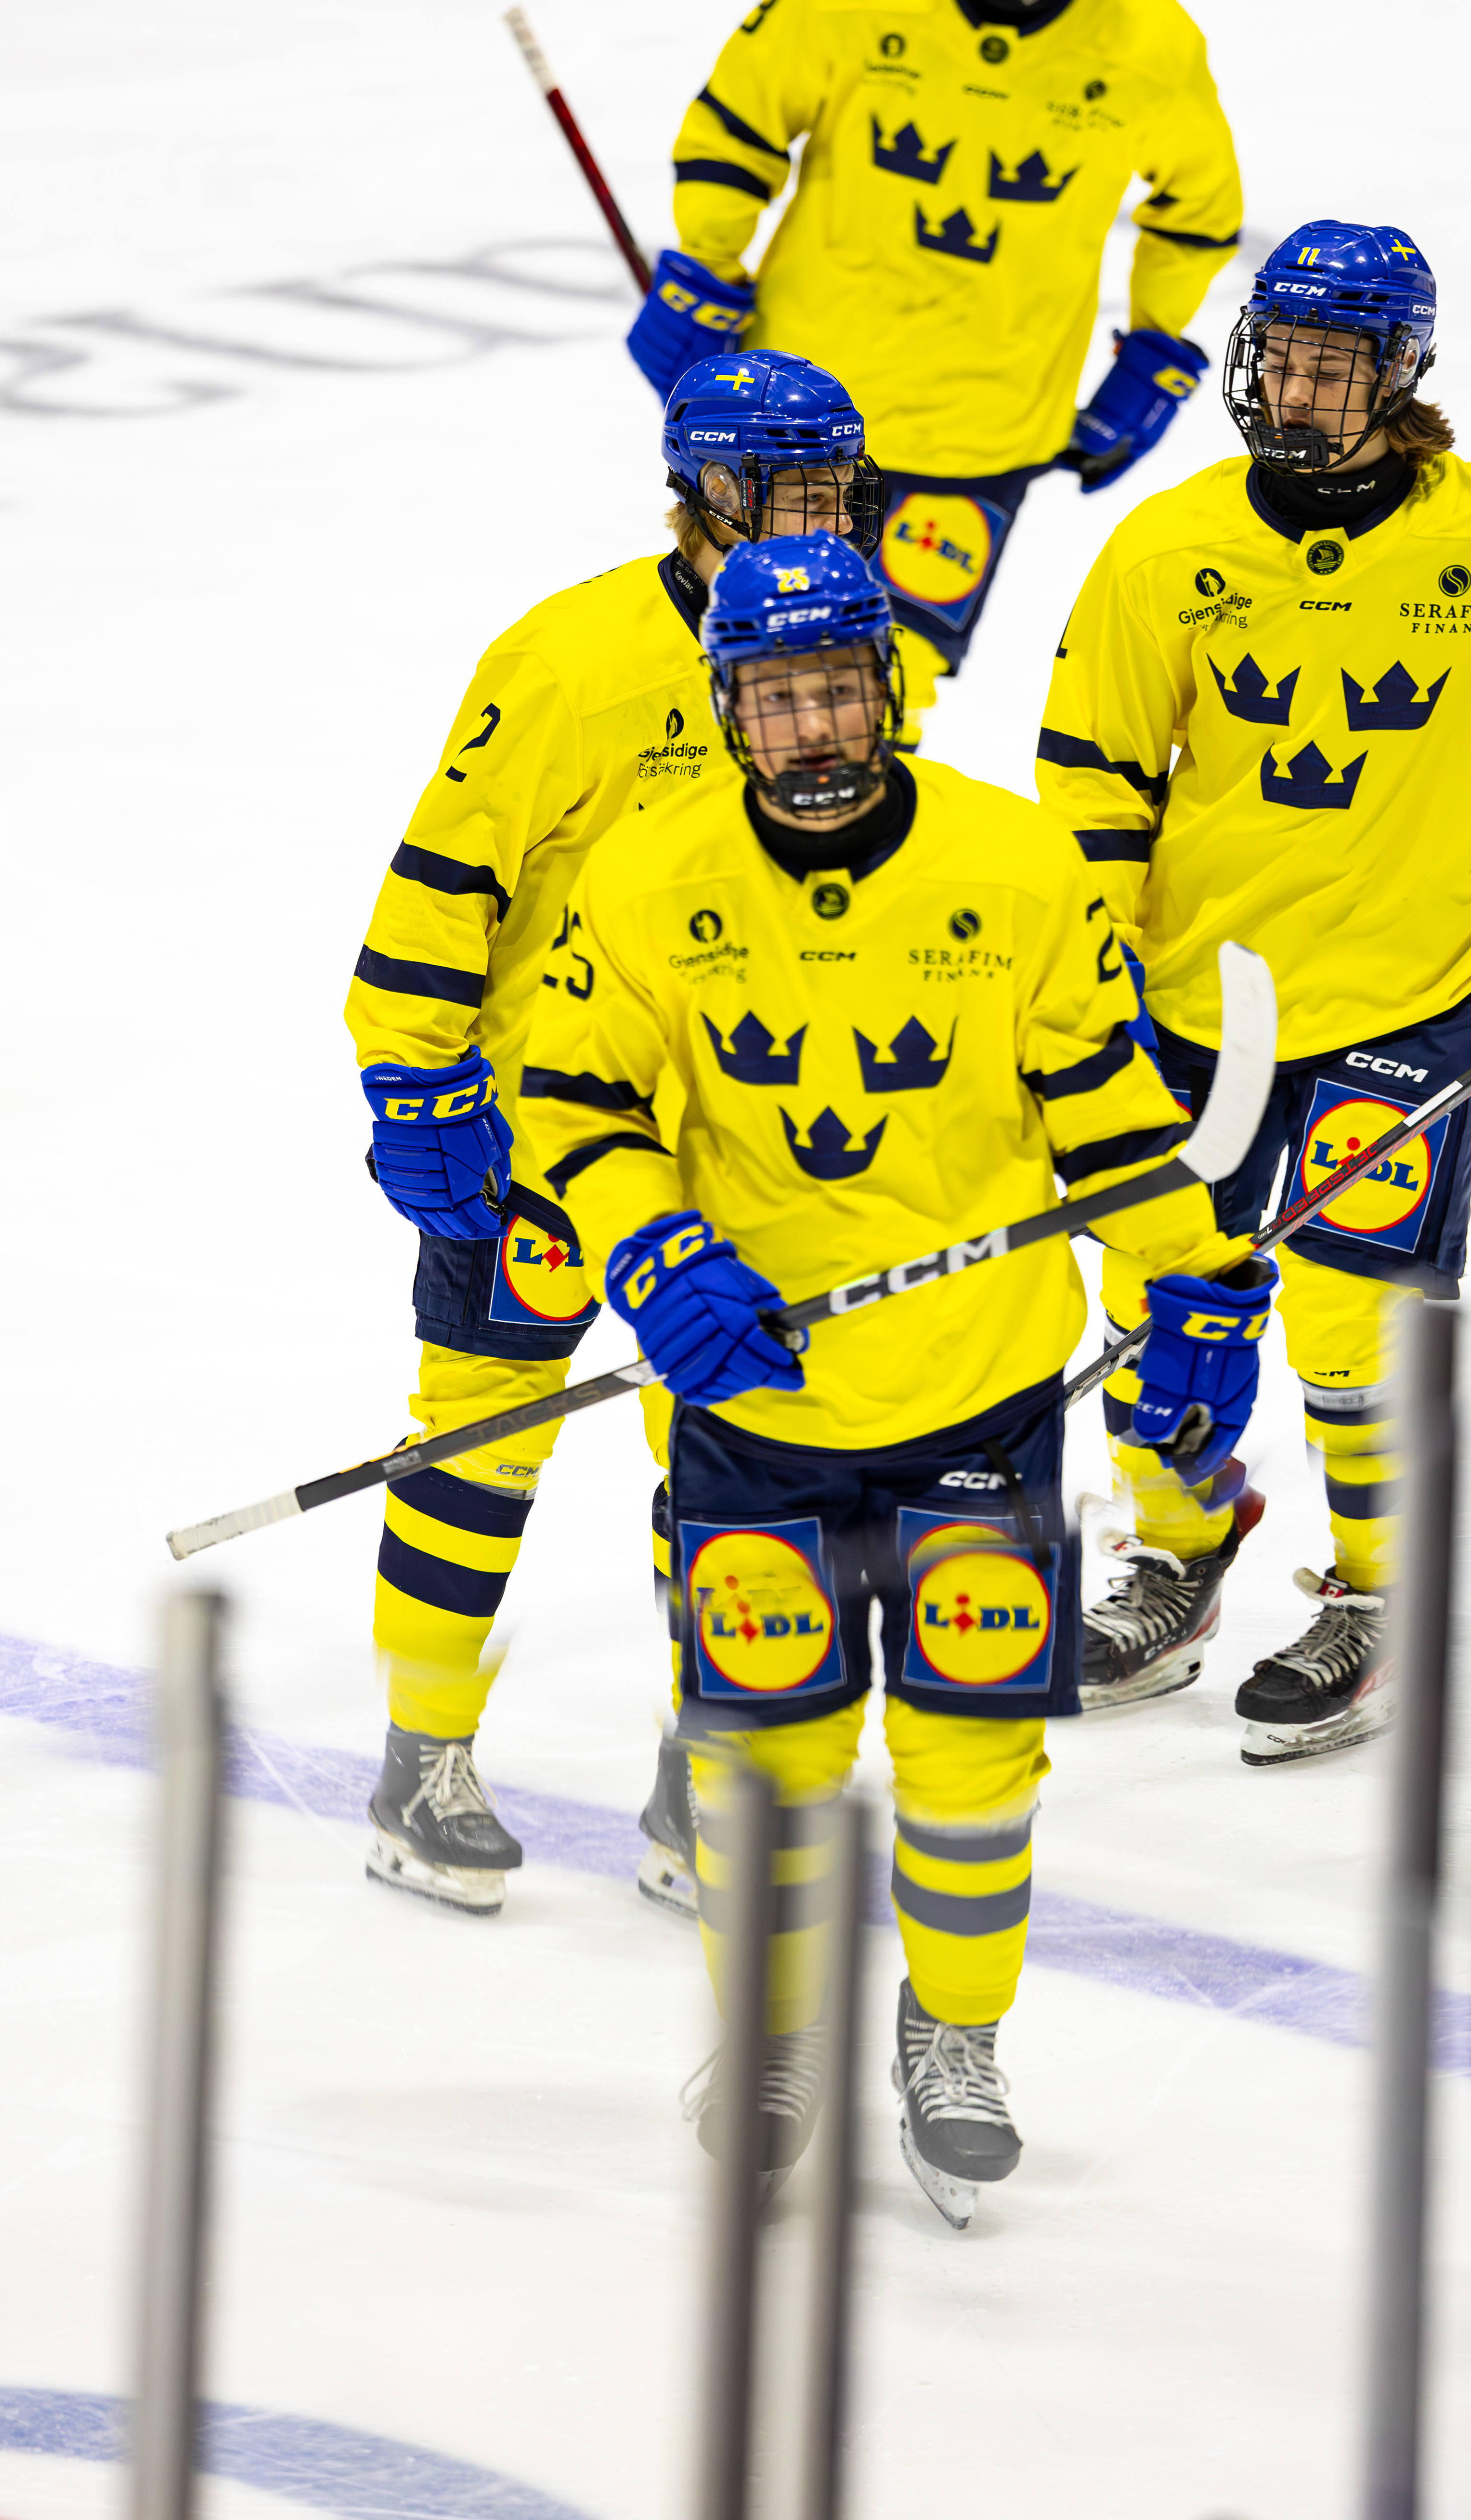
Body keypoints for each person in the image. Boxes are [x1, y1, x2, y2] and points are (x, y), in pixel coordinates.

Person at [517, 530, 1266, 2221]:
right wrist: (656, 1256)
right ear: (730, 708)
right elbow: (573, 1101)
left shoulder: (1017, 867)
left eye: (839, 689)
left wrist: (1198, 1275)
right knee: (757, 1756)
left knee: (973, 1765)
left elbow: (1108, 1114)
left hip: (983, 1404)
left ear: (891, 686)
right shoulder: (647, 877)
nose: (814, 728)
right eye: (778, 697)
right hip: (754, 1416)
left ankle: (957, 2031)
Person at [1036, 218, 1471, 1764]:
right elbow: (1093, 776)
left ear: (1401, 374)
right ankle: (1178, 1559)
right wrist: (1080, 976)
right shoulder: (1168, 549)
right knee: (1159, 1293)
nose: (1302, 389)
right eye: (1283, 356)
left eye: (1337, 366)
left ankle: (1377, 1596)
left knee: (1354, 1316)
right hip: (1199, 1000)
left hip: (1407, 997)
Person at [345, 351, 882, 1914]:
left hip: (739, 1136)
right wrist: (415, 1080)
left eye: (837, 490)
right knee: (479, 1437)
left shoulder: (844, 650)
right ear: (709, 493)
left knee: (737, 1462)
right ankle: (422, 1759)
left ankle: (705, 1781)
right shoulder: (571, 662)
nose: (823, 521)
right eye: (791, 492)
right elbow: (443, 882)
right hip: (539, 1131)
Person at [623, 0, 1242, 732]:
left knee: (879, 698)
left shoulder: (1149, 45)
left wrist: (1156, 347)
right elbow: (737, 122)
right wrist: (709, 269)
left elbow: (1198, 209)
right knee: (731, 665)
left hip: (985, 431)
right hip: (797, 409)